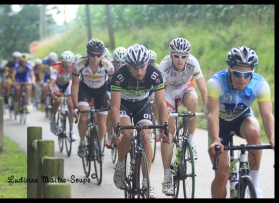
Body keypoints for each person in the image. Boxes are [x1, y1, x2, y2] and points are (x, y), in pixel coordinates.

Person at [207, 46, 274, 198]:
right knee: (222, 174)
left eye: (247, 74)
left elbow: (267, 114)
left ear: (253, 73)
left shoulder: (260, 84)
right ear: (229, 70)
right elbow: (212, 114)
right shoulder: (216, 82)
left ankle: (254, 186)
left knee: (254, 132)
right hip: (219, 122)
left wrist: (272, 136)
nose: (242, 79)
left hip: (241, 119)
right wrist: (216, 140)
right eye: (237, 74)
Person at [110, 44, 170, 198]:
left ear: (147, 64)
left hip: (142, 105)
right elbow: (115, 107)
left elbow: (161, 104)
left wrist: (164, 128)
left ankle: (146, 181)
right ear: (127, 66)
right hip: (124, 104)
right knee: (127, 132)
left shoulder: (155, 73)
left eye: (142, 67)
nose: (139, 71)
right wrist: (117, 128)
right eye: (135, 68)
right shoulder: (119, 75)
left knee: (145, 136)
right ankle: (121, 164)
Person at [158, 37, 207, 195]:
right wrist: (163, 113)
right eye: (176, 55)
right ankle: (166, 178)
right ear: (171, 55)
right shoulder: (164, 66)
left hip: (185, 88)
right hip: (168, 91)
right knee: (169, 132)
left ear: (188, 56)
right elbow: (158, 93)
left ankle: (190, 140)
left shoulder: (193, 62)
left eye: (184, 56)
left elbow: (203, 88)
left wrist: (207, 107)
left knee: (194, 101)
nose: (180, 60)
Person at [72, 38, 115, 159]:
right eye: (92, 55)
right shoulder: (79, 64)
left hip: (101, 92)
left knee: (102, 124)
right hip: (85, 90)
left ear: (102, 55)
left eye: (99, 55)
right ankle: (82, 142)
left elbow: (114, 87)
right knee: (83, 116)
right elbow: (75, 86)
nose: (95, 58)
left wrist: (113, 103)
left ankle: (98, 143)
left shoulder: (108, 66)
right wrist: (75, 106)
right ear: (87, 53)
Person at [49, 50, 77, 142]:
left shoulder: (75, 67)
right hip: (57, 85)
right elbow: (51, 84)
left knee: (71, 104)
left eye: (70, 64)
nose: (68, 66)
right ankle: (52, 118)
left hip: (67, 85)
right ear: (62, 62)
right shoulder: (56, 67)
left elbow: (76, 83)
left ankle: (72, 131)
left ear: (73, 62)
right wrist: (53, 92)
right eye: (65, 64)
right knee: (58, 100)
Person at [105, 46, 127, 148]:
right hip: (110, 91)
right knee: (110, 110)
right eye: (117, 62)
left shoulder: (129, 68)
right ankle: (110, 135)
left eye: (122, 62)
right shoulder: (110, 68)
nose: (120, 64)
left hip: (123, 92)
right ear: (114, 60)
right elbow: (105, 85)